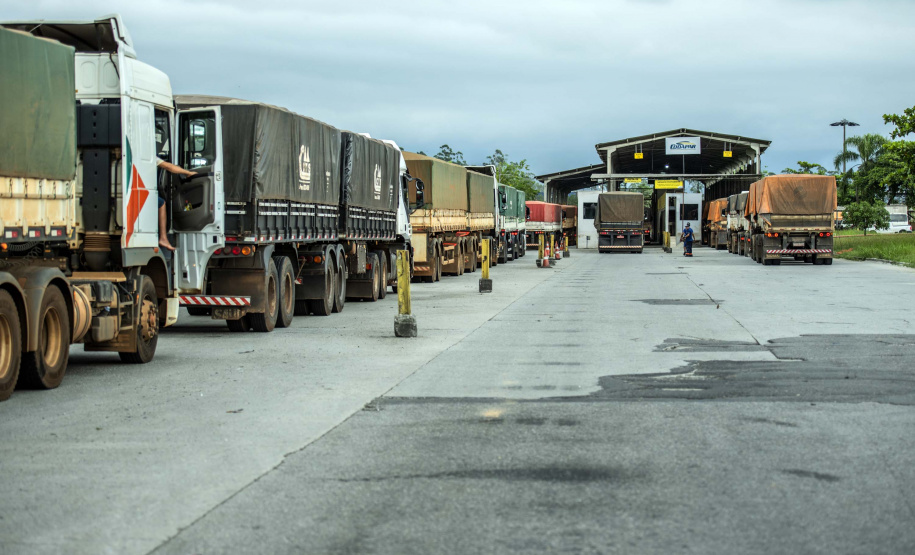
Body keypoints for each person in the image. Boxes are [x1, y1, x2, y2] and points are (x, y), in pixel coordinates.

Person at [155, 158, 196, 251]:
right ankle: (163, 238)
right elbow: (168, 166)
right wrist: (188, 173)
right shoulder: (148, 152)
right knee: (161, 203)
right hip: (140, 194)